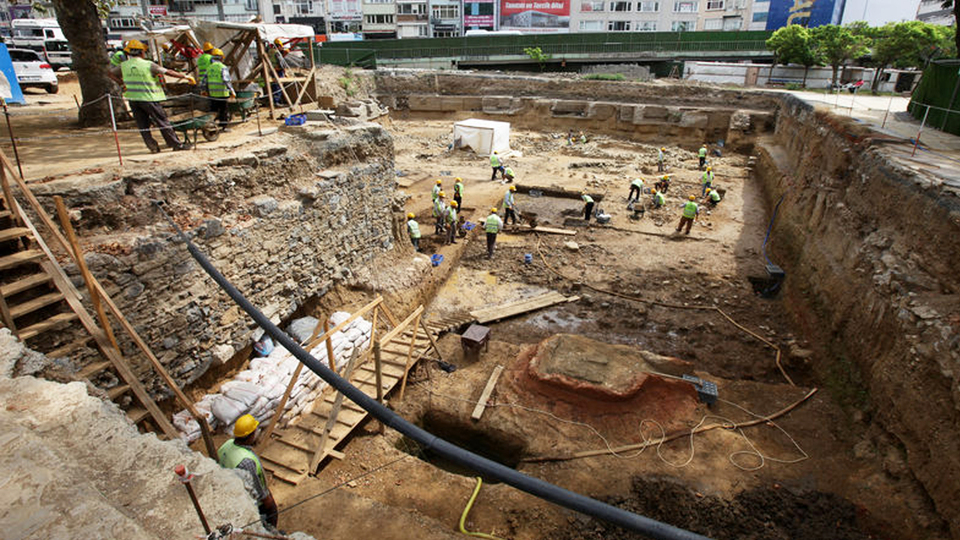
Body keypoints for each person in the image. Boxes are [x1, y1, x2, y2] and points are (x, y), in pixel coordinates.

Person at [108, 39, 195, 153]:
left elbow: (109, 73)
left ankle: (152, 147)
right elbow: (167, 72)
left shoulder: (124, 66)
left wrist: (121, 83)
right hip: (149, 98)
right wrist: (184, 77)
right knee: (162, 121)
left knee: (143, 125)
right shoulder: (148, 64)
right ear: (142, 52)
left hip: (133, 99)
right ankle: (176, 144)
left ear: (129, 53)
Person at [218, 415, 278, 528]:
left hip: (232, 491)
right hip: (252, 501)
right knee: (268, 521)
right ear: (251, 436)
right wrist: (268, 502)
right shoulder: (246, 461)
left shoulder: (226, 445)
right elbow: (257, 488)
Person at [202, 48, 235, 130]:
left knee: (213, 110)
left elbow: (204, 81)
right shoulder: (222, 67)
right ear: (221, 58)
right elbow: (226, 80)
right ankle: (223, 127)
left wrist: (203, 90)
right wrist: (232, 90)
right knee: (223, 110)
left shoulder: (209, 68)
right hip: (222, 93)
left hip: (212, 93)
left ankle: (212, 125)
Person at [270, 38, 289, 105]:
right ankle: (276, 101)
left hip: (272, 71)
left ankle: (275, 101)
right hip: (278, 70)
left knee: (274, 86)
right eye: (281, 46)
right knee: (278, 86)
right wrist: (285, 71)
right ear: (278, 46)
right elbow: (282, 63)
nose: (282, 48)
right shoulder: (277, 53)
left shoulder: (270, 51)